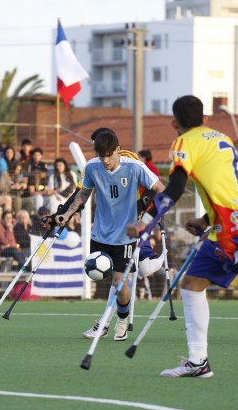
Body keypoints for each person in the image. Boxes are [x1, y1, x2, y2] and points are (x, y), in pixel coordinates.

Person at [127, 95, 238, 378]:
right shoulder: (221, 138)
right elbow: (227, 184)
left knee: (191, 285)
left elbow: (174, 188)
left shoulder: (184, 143)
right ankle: (198, 361)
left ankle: (198, 361)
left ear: (174, 122)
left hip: (231, 231)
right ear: (206, 119)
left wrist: (146, 223)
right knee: (191, 284)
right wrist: (206, 219)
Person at [52, 130, 165, 342]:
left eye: (109, 155)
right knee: (105, 279)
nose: (105, 160)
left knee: (119, 282)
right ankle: (107, 322)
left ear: (117, 150)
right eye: (101, 155)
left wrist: (146, 211)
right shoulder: (92, 167)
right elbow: (83, 195)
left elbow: (161, 189)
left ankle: (117, 321)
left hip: (126, 236)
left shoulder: (134, 166)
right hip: (100, 234)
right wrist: (66, 215)